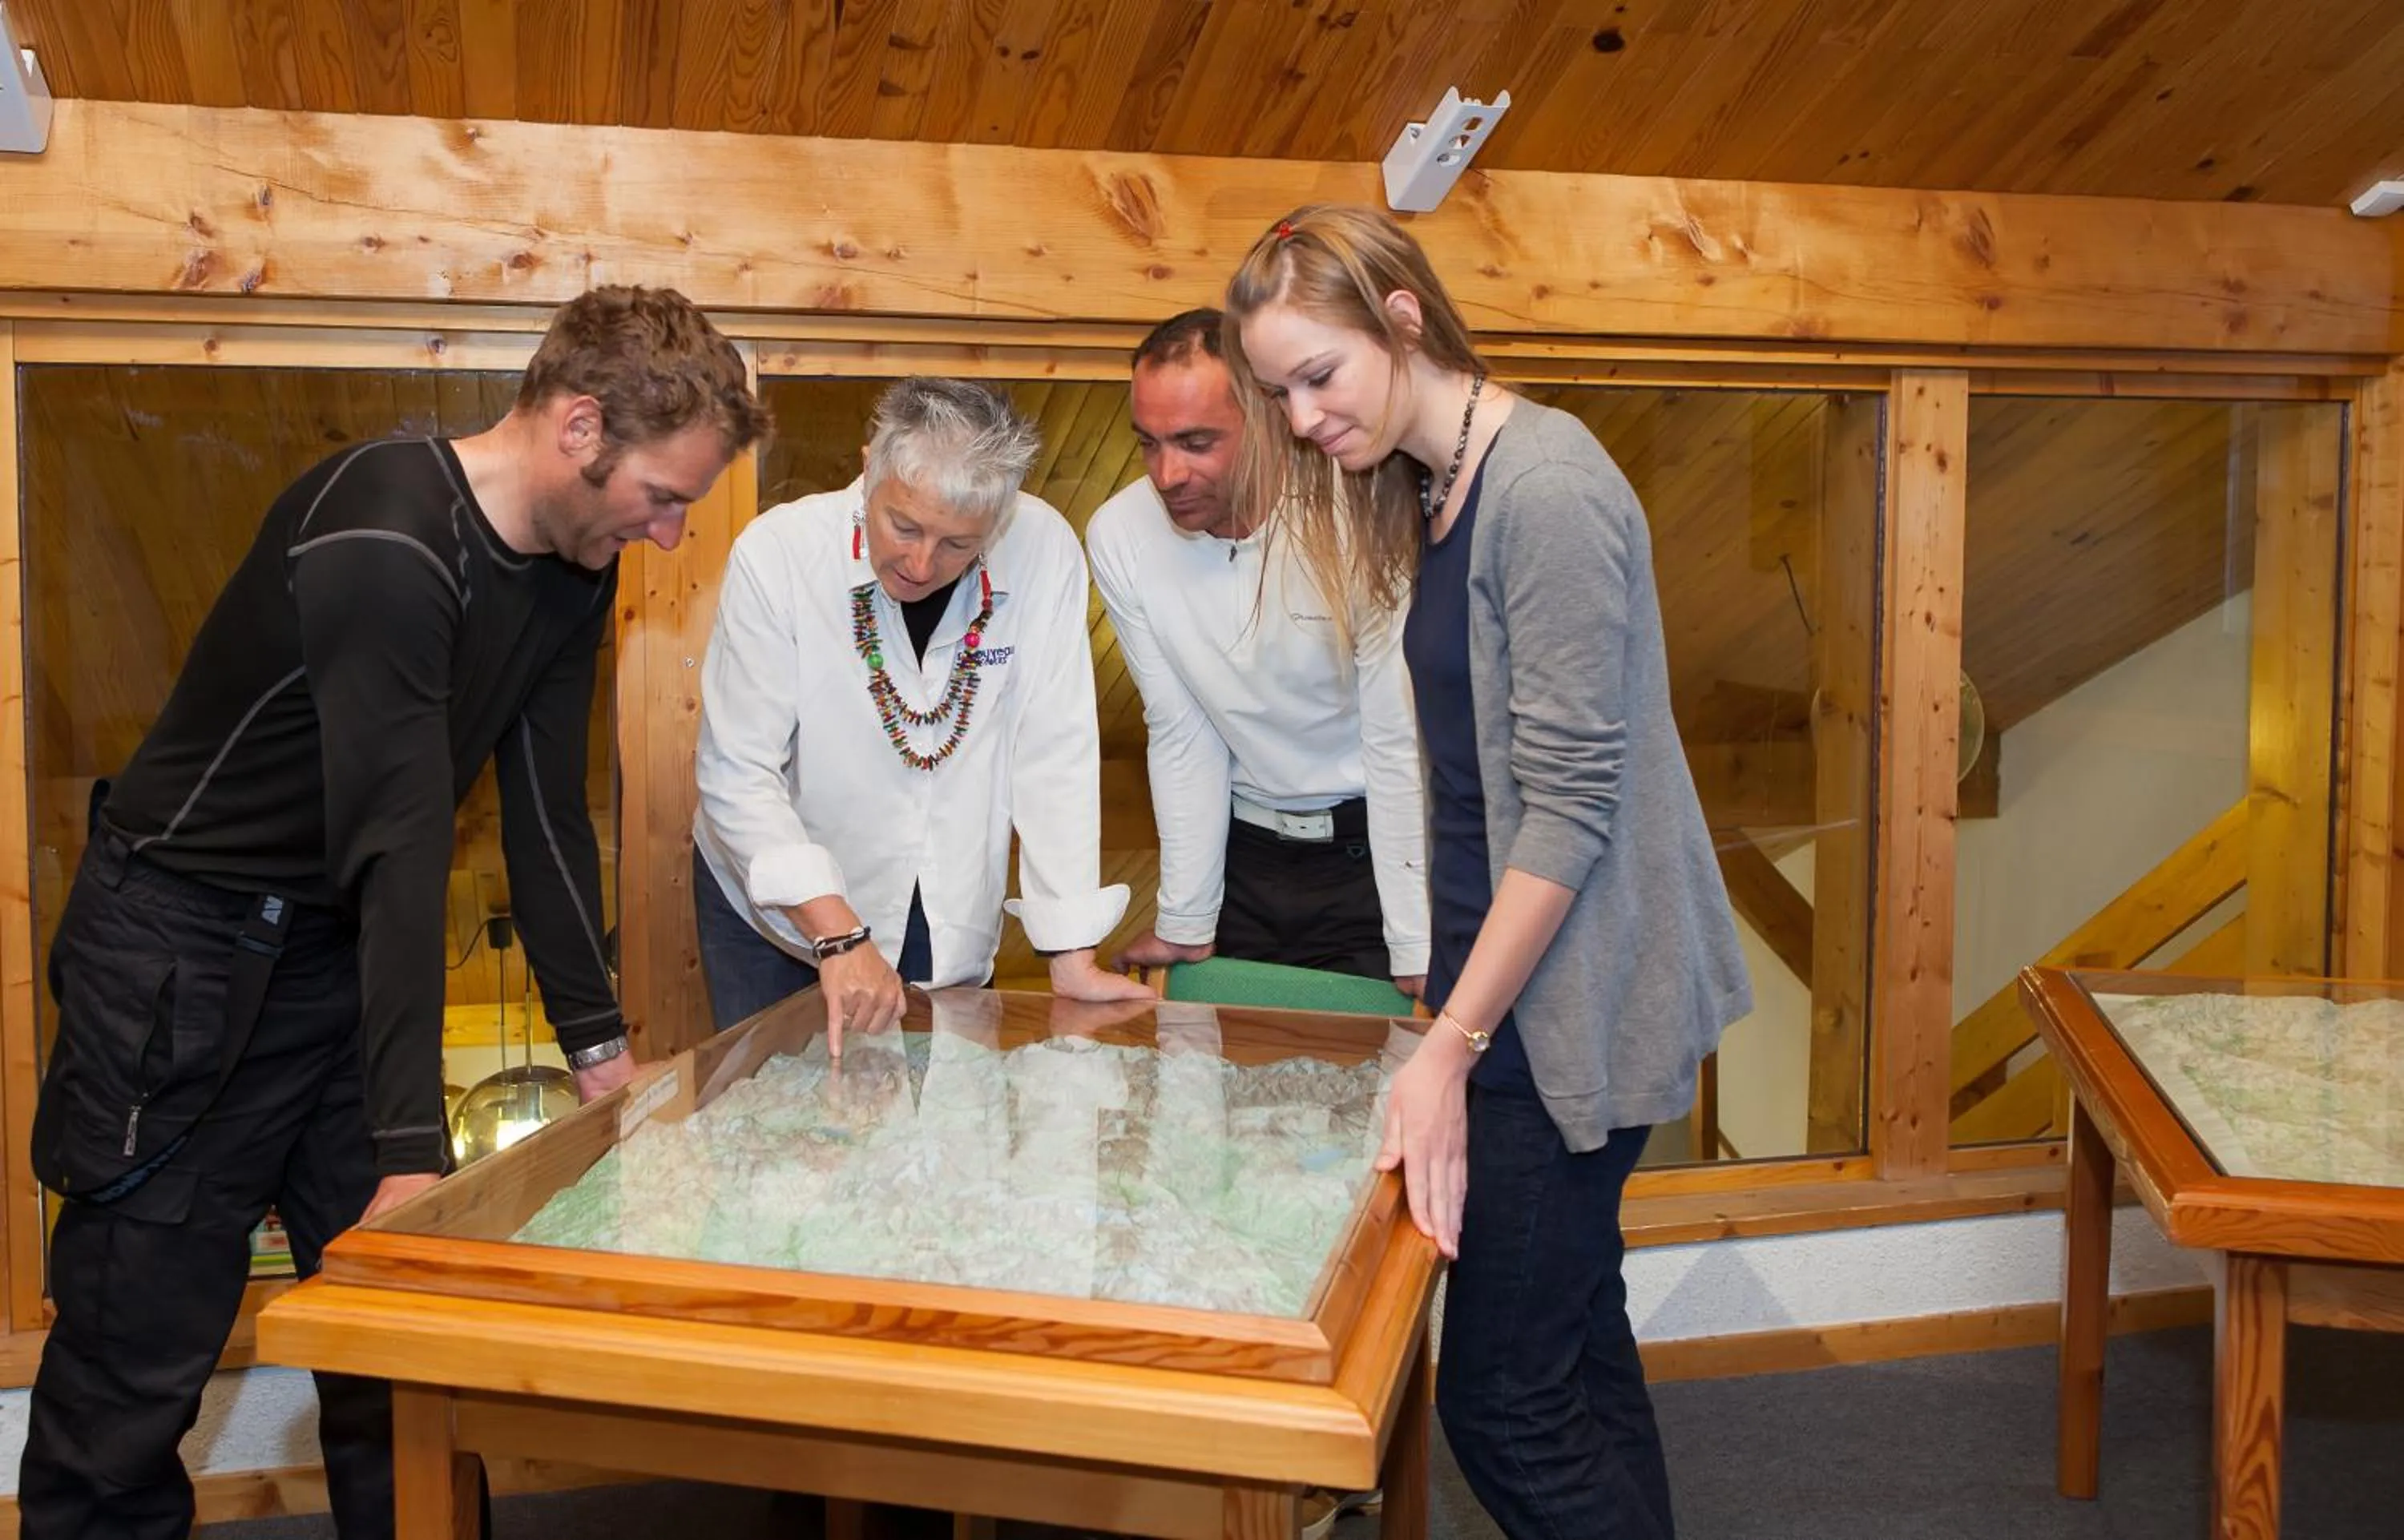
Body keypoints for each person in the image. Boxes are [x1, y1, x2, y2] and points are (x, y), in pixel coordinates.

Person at [19, 286, 768, 1539]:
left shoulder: (573, 571)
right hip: (180, 951)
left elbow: (543, 816)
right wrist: (410, 1152)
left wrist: (601, 1052)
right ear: (580, 427)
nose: (671, 533)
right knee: (134, 1362)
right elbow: (401, 845)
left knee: (400, 1352)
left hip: (334, 950)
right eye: (663, 495)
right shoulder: (386, 532)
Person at [1223, 206, 1753, 1539]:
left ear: (1401, 317)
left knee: (1504, 1401)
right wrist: (1446, 1001)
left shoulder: (1547, 488)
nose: (1302, 418)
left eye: (1318, 375)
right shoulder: (1435, 485)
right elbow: (1474, 788)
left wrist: (1451, 1046)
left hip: (1566, 1007)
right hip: (1498, 991)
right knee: (1578, 1342)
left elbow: (1568, 810)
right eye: (1278, 393)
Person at [692, 377, 1152, 1046]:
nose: (920, 562)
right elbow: (738, 771)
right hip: (778, 911)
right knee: (783, 1102)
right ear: (868, 470)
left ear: (998, 521)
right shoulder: (779, 553)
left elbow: (1055, 752)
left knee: (943, 1100)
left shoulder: (1043, 549)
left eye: (958, 544)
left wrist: (1070, 949)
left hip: (943, 893)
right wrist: (839, 936)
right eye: (903, 526)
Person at [1086, 309, 1429, 994]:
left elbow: (1396, 736)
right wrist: (1186, 918)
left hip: (1375, 856)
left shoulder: (1360, 511)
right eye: (1149, 443)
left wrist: (1416, 937)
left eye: (1196, 442)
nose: (1167, 473)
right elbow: (1181, 730)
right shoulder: (1118, 534)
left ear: (1271, 417)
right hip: (1245, 859)